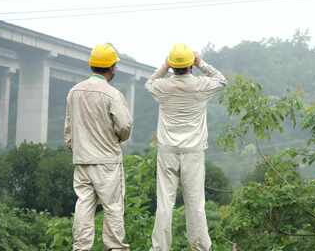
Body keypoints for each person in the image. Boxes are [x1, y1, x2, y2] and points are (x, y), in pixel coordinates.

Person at [145, 43, 227, 251]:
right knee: (195, 203)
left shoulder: (163, 87)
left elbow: (149, 82)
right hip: (193, 151)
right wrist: (201, 63)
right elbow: (221, 80)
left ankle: (160, 248)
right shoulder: (201, 85)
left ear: (172, 66)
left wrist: (164, 66)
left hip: (167, 150)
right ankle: (200, 247)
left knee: (165, 203)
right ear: (190, 65)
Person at [64, 43, 132, 251]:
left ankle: (81, 247)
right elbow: (124, 126)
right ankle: (115, 248)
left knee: (84, 204)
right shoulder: (112, 94)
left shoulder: (74, 92)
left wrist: (75, 147)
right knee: (113, 207)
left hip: (82, 159)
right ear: (112, 67)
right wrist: (117, 139)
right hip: (107, 161)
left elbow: (69, 127)